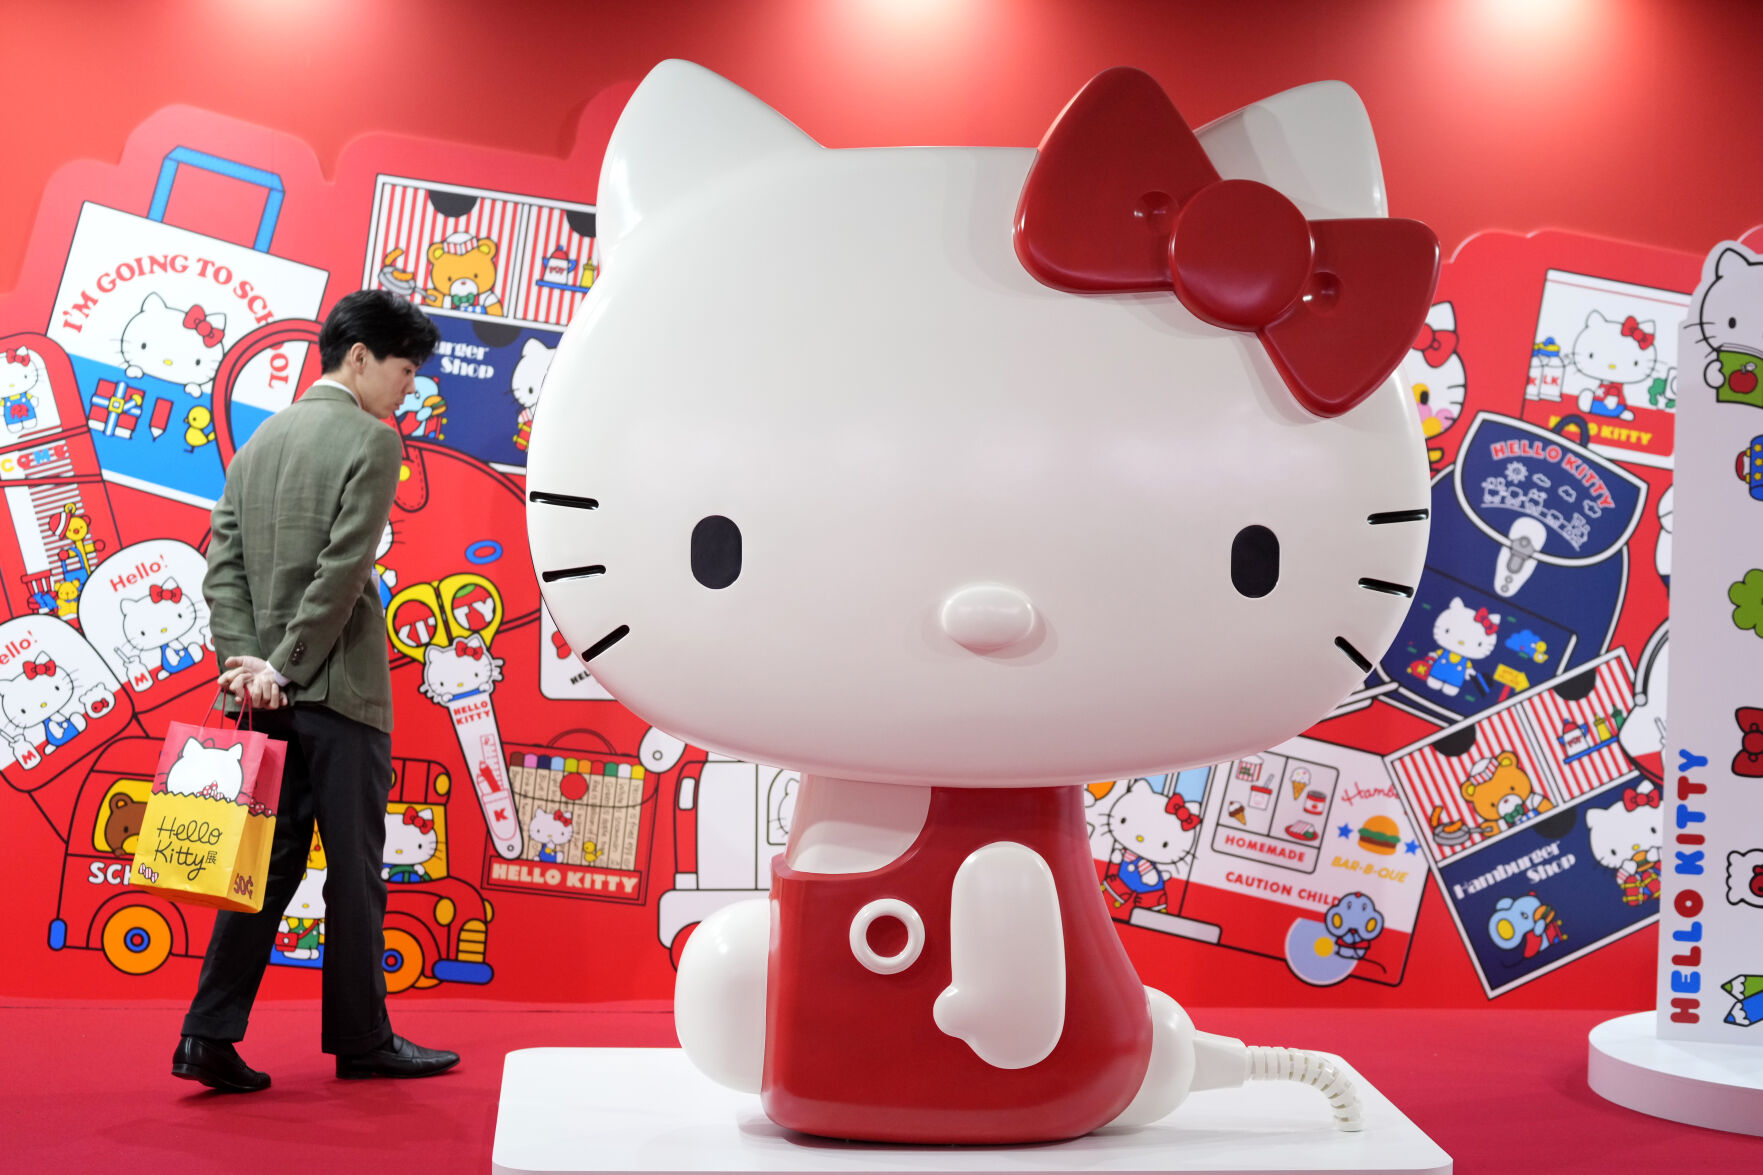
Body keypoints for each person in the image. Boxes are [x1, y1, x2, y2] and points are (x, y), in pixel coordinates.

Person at [172, 290, 458, 1092]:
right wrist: (289, 665)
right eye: (405, 369)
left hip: (263, 696)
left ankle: (206, 1034)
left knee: (259, 870)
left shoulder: (260, 439)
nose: (410, 388)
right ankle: (363, 1039)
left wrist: (247, 665)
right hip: (337, 689)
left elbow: (221, 566)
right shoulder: (372, 439)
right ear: (359, 356)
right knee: (356, 869)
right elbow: (342, 570)